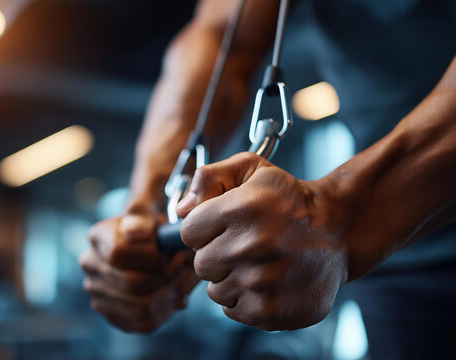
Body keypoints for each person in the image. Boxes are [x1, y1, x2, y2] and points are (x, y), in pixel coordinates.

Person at [79, 0, 456, 357]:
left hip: (384, 223)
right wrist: (146, 214)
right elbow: (224, 36)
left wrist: (346, 213)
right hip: (400, 259)